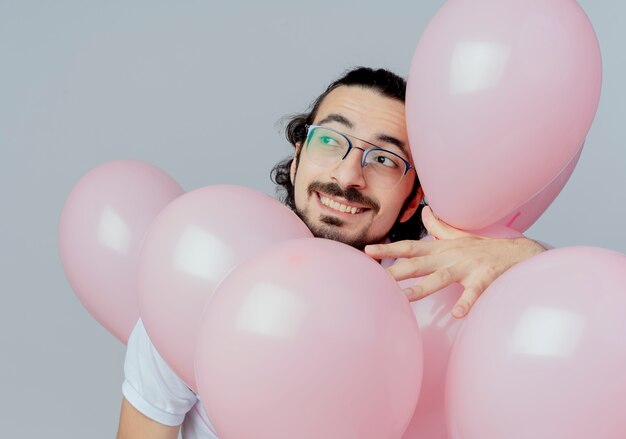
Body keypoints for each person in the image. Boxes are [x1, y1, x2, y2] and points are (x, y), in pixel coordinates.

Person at [116, 67, 545, 439]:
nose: (348, 175)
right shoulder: (203, 284)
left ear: (414, 199)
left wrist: (524, 257)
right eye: (329, 140)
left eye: (384, 159)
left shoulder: (433, 299)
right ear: (298, 158)